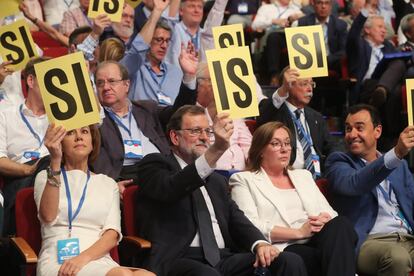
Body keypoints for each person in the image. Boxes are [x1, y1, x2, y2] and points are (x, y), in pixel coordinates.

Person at [135, 105, 307, 276]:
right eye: (195, 131)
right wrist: (217, 149)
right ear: (174, 136)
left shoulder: (216, 180)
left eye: (208, 132)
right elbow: (172, 187)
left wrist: (259, 243)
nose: (204, 137)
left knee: (289, 260)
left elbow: (236, 219)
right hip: (179, 257)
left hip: (222, 258)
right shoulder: (155, 165)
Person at [229, 121, 357, 276]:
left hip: (317, 238)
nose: (284, 149)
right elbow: (250, 225)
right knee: (322, 258)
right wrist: (299, 232)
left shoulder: (303, 175)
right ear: (261, 150)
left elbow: (330, 213)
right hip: (285, 246)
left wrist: (324, 219)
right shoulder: (243, 180)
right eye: (276, 144)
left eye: (287, 143)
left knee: (341, 224)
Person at [34, 123, 154, 276]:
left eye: (84, 132)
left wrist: (82, 259)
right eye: (71, 133)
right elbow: (48, 216)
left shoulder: (108, 184)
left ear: (93, 143)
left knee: (146, 275)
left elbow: (112, 235)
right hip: (59, 261)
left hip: (97, 258)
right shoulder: (46, 176)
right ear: (60, 143)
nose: (79, 137)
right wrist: (55, 161)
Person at [325, 104, 414, 276]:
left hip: (407, 237)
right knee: (397, 258)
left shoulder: (400, 166)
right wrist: (395, 153)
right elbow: (355, 183)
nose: (352, 135)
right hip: (370, 241)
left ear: (377, 131)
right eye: (348, 129)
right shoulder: (338, 162)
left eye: (359, 128)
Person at [91, 55, 197, 184]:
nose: (106, 87)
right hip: (127, 176)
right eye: (100, 83)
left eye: (112, 81)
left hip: (162, 169)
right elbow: (97, 159)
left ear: (126, 85)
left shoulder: (147, 108)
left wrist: (189, 77)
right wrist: (111, 184)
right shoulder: (96, 121)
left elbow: (180, 113)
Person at [0, 57, 51, 235]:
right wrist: (28, 170)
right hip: (20, 178)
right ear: (31, 81)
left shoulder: (62, 116)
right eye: (48, 78)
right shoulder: (5, 115)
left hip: (56, 174)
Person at [257, 67, 337, 178]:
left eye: (311, 84)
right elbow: (261, 117)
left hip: (318, 177)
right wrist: (283, 89)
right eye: (304, 84)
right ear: (288, 86)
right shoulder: (275, 112)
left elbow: (330, 147)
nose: (310, 89)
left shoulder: (316, 117)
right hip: (287, 176)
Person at [121, 0, 184, 104]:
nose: (164, 46)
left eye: (167, 41)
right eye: (159, 40)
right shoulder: (135, 68)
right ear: (148, 41)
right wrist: (157, 11)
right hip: (142, 119)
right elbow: (138, 48)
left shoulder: (176, 73)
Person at [196, 62, 252, 171]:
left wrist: (252, 170)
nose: (221, 85)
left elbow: (249, 146)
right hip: (211, 176)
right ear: (199, 84)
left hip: (241, 175)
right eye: (214, 80)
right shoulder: (193, 115)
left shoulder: (233, 113)